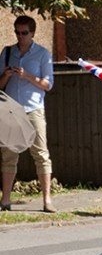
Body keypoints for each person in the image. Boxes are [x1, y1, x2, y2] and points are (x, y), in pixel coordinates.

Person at [0, 16, 56, 212]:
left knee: (40, 154)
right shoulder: (8, 52)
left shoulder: (42, 54)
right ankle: (5, 200)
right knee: (9, 156)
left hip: (33, 109)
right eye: (17, 32)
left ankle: (47, 200)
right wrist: (6, 75)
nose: (20, 36)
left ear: (32, 33)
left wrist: (27, 76)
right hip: (11, 110)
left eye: (24, 33)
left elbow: (48, 85)